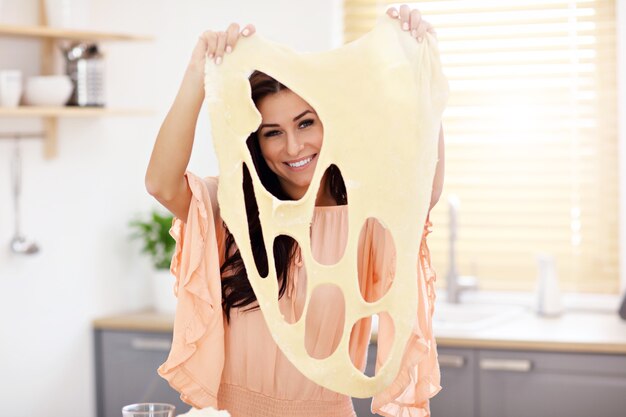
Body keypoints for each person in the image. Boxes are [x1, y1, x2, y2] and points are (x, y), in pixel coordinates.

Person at [145, 4, 444, 417]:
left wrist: (417, 70)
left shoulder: (365, 215)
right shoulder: (232, 206)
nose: (293, 147)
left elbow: (422, 184)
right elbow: (160, 183)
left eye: (306, 123)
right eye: (273, 133)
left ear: (329, 122)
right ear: (256, 141)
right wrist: (198, 73)